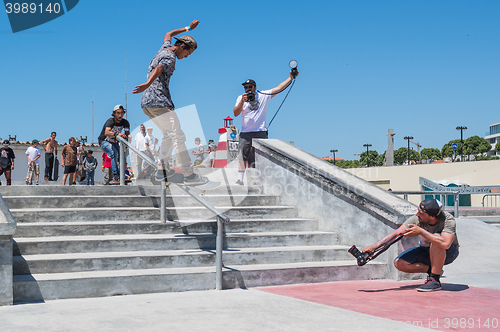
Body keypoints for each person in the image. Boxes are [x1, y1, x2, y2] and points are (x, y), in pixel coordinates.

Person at [132, 19, 205, 185]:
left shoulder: (164, 48)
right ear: (181, 46)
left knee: (168, 136)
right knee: (178, 136)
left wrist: (188, 28)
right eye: (187, 53)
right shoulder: (170, 57)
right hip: (160, 102)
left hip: (147, 104)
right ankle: (189, 175)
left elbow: (168, 34)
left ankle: (161, 172)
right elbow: (160, 69)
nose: (185, 57)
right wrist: (147, 84)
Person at [363, 198, 459, 292]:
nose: (417, 214)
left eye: (421, 213)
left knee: (437, 239)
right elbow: (396, 234)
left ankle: (435, 280)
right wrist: (374, 247)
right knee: (399, 263)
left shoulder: (448, 219)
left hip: (449, 253)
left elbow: (445, 243)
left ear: (432, 217)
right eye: (418, 211)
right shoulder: (416, 219)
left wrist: (421, 232)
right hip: (426, 251)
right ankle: (433, 270)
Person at [233, 70, 299, 185]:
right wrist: (242, 102)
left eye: (250, 86)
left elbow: (278, 88)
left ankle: (260, 180)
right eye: (245, 87)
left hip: (260, 131)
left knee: (260, 157)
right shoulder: (240, 98)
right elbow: (235, 113)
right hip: (245, 132)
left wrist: (291, 78)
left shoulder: (263, 95)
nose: (247, 89)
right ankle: (240, 179)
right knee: (242, 155)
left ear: (255, 87)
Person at [98, 105, 131, 184]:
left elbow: (127, 134)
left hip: (115, 143)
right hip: (104, 141)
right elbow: (107, 132)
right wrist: (118, 134)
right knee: (114, 153)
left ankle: (121, 176)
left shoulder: (125, 122)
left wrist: (128, 138)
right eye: (118, 113)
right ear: (114, 114)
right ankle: (116, 176)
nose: (120, 115)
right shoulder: (111, 121)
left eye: (122, 113)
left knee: (122, 157)